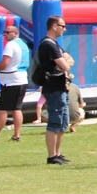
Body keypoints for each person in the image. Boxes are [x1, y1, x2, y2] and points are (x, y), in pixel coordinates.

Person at [36, 16, 75, 165]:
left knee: (63, 121)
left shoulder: (55, 44)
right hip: (53, 88)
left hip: (61, 86)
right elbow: (65, 65)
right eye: (62, 26)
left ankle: (58, 153)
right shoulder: (48, 44)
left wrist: (65, 62)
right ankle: (51, 155)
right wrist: (65, 63)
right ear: (54, 26)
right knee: (55, 120)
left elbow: (69, 59)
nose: (64, 29)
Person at [0, 21, 28, 143]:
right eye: (4, 32)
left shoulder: (11, 45)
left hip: (11, 81)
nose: (5, 35)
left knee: (3, 109)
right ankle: (17, 134)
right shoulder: (23, 45)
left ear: (15, 33)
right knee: (17, 108)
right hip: (22, 79)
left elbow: (5, 62)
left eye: (8, 32)